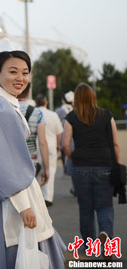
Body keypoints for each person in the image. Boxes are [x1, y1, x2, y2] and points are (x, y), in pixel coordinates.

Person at [0, 38, 65, 269]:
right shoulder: (0, 106)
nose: (20, 78)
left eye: (25, 72)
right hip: (8, 192)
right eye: (13, 71)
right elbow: (6, 161)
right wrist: (24, 205)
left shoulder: (0, 103)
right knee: (17, 248)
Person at [63, 83, 119, 254]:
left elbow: (65, 145)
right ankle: (106, 236)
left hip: (81, 167)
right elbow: (115, 144)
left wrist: (74, 158)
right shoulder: (107, 115)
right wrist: (116, 165)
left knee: (85, 208)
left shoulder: (71, 117)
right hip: (105, 166)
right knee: (105, 206)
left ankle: (90, 247)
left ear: (76, 99)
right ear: (93, 97)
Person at [18, 86, 50, 184]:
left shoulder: (6, 110)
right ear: (28, 93)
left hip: (12, 162)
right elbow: (42, 142)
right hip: (31, 162)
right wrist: (47, 168)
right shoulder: (37, 113)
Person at [36, 94, 63, 206]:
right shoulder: (53, 115)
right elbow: (59, 132)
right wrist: (57, 145)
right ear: (46, 102)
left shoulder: (34, 113)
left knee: (37, 170)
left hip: (37, 145)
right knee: (50, 170)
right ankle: (48, 197)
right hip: (51, 146)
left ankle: (38, 194)